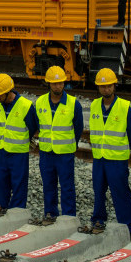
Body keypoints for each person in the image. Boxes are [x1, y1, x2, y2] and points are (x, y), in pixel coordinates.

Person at [89, 68, 131, 233]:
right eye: (102, 86)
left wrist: (119, 150)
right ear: (98, 88)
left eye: (109, 86)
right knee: (99, 192)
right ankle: (98, 220)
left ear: (114, 86)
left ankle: (126, 225)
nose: (106, 89)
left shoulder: (124, 107)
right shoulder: (94, 105)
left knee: (120, 193)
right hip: (99, 158)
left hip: (117, 160)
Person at [35, 66, 82, 224]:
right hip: (46, 152)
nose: (57, 86)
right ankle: (50, 213)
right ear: (48, 83)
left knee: (67, 186)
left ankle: (68, 216)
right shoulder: (40, 102)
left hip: (65, 153)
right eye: (54, 83)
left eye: (60, 83)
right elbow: (37, 124)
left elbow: (78, 128)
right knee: (48, 185)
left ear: (64, 83)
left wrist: (68, 144)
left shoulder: (73, 104)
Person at [0, 73, 37, 212]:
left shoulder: (25, 106)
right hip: (2, 150)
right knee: (1, 181)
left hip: (18, 152)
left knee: (19, 182)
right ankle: (1, 206)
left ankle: (17, 210)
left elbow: (33, 128)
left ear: (8, 92)